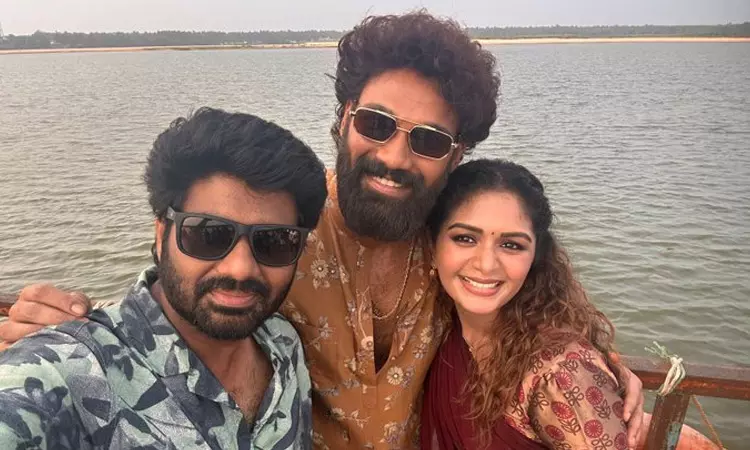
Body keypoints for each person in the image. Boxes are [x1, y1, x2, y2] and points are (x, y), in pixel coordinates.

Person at [0, 11, 645, 450]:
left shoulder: (454, 243)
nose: (394, 157)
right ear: (342, 119)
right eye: (376, 124)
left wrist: (595, 368)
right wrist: (68, 325)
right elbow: (185, 288)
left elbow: (521, 306)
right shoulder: (280, 230)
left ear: (457, 156)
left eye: (427, 140)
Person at [0, 108, 326, 449]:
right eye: (209, 234)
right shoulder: (64, 373)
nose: (240, 268)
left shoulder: (284, 346)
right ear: (161, 234)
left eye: (274, 241)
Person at [422, 159, 630, 449]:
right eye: (465, 238)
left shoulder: (560, 373)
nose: (486, 264)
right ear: (432, 248)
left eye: (511, 245)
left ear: (535, 257)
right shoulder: (438, 325)